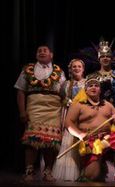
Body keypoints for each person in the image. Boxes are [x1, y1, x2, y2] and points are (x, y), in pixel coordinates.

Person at [15, 45, 66, 181]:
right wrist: (22, 111)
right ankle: (29, 171)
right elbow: (20, 91)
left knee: (51, 141)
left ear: (51, 54)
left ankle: (47, 172)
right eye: (39, 51)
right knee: (32, 140)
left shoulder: (59, 71)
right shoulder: (27, 69)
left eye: (45, 50)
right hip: (34, 107)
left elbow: (63, 92)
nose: (42, 52)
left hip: (53, 109)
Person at [64, 78, 115, 181]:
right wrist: (79, 134)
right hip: (90, 140)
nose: (93, 87)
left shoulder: (108, 105)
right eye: (90, 85)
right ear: (85, 90)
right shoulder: (78, 105)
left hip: (108, 137)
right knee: (91, 175)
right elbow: (68, 123)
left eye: (96, 86)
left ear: (100, 90)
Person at [52, 59, 86, 181]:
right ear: (70, 69)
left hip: (81, 114)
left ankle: (82, 170)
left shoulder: (87, 83)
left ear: (83, 69)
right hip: (68, 114)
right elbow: (60, 98)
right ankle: (66, 171)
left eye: (79, 66)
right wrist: (67, 101)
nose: (76, 68)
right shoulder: (66, 84)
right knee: (67, 139)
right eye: (74, 67)